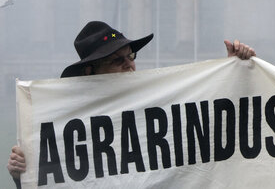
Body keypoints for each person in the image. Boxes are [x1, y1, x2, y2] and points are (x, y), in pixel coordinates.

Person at [6, 20, 256, 187]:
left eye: (130, 56)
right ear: (90, 72)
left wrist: (233, 70)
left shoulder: (157, 103)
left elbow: (210, 128)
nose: (130, 65)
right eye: (117, 61)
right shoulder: (65, 123)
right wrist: (22, 174)